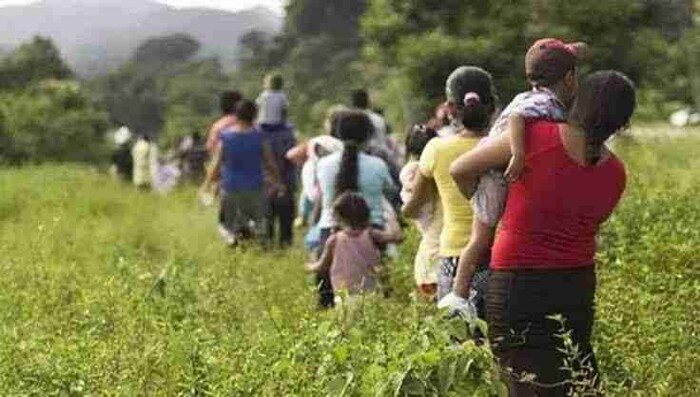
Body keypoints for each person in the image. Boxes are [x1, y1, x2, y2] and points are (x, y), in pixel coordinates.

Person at [450, 71, 636, 396]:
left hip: (516, 285)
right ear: (620, 125)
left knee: (524, 381)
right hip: (575, 284)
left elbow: (461, 168)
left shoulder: (533, 137)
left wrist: (488, 209)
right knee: (573, 375)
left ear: (577, 100)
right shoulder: (615, 172)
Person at [445, 38, 586, 312]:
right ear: (569, 79)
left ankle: (462, 295)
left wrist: (572, 51)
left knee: (483, 236)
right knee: (480, 239)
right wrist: (519, 154)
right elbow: (517, 118)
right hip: (495, 173)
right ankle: (459, 296)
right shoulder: (544, 103)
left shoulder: (538, 97)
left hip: (494, 173)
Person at [402, 66, 498, 303]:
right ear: (493, 106)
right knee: (497, 334)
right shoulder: (504, 148)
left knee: (456, 334)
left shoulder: (436, 150)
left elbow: (414, 205)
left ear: (450, 108)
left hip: (453, 253)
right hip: (498, 254)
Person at [315, 109, 397, 308]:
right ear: (369, 135)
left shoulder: (324, 164)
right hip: (373, 233)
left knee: (329, 302)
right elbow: (390, 191)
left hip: (330, 230)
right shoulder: (378, 165)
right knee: (377, 298)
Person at [201, 100, 283, 246]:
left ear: (236, 116)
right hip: (255, 187)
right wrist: (278, 182)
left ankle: (232, 239)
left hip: (230, 187)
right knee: (259, 222)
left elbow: (216, 164)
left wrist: (206, 185)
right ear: (254, 116)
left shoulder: (226, 138)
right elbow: (269, 163)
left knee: (226, 224)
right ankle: (258, 241)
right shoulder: (260, 137)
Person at [306, 192, 402, 304]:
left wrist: (309, 266)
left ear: (338, 217)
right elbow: (397, 237)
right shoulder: (371, 234)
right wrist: (392, 220)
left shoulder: (334, 240)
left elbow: (321, 266)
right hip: (371, 294)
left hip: (344, 297)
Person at [399, 124, 441, 298]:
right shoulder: (439, 165)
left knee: (430, 276)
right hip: (438, 226)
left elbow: (413, 206)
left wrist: (404, 209)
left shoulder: (414, 169)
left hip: (432, 234)